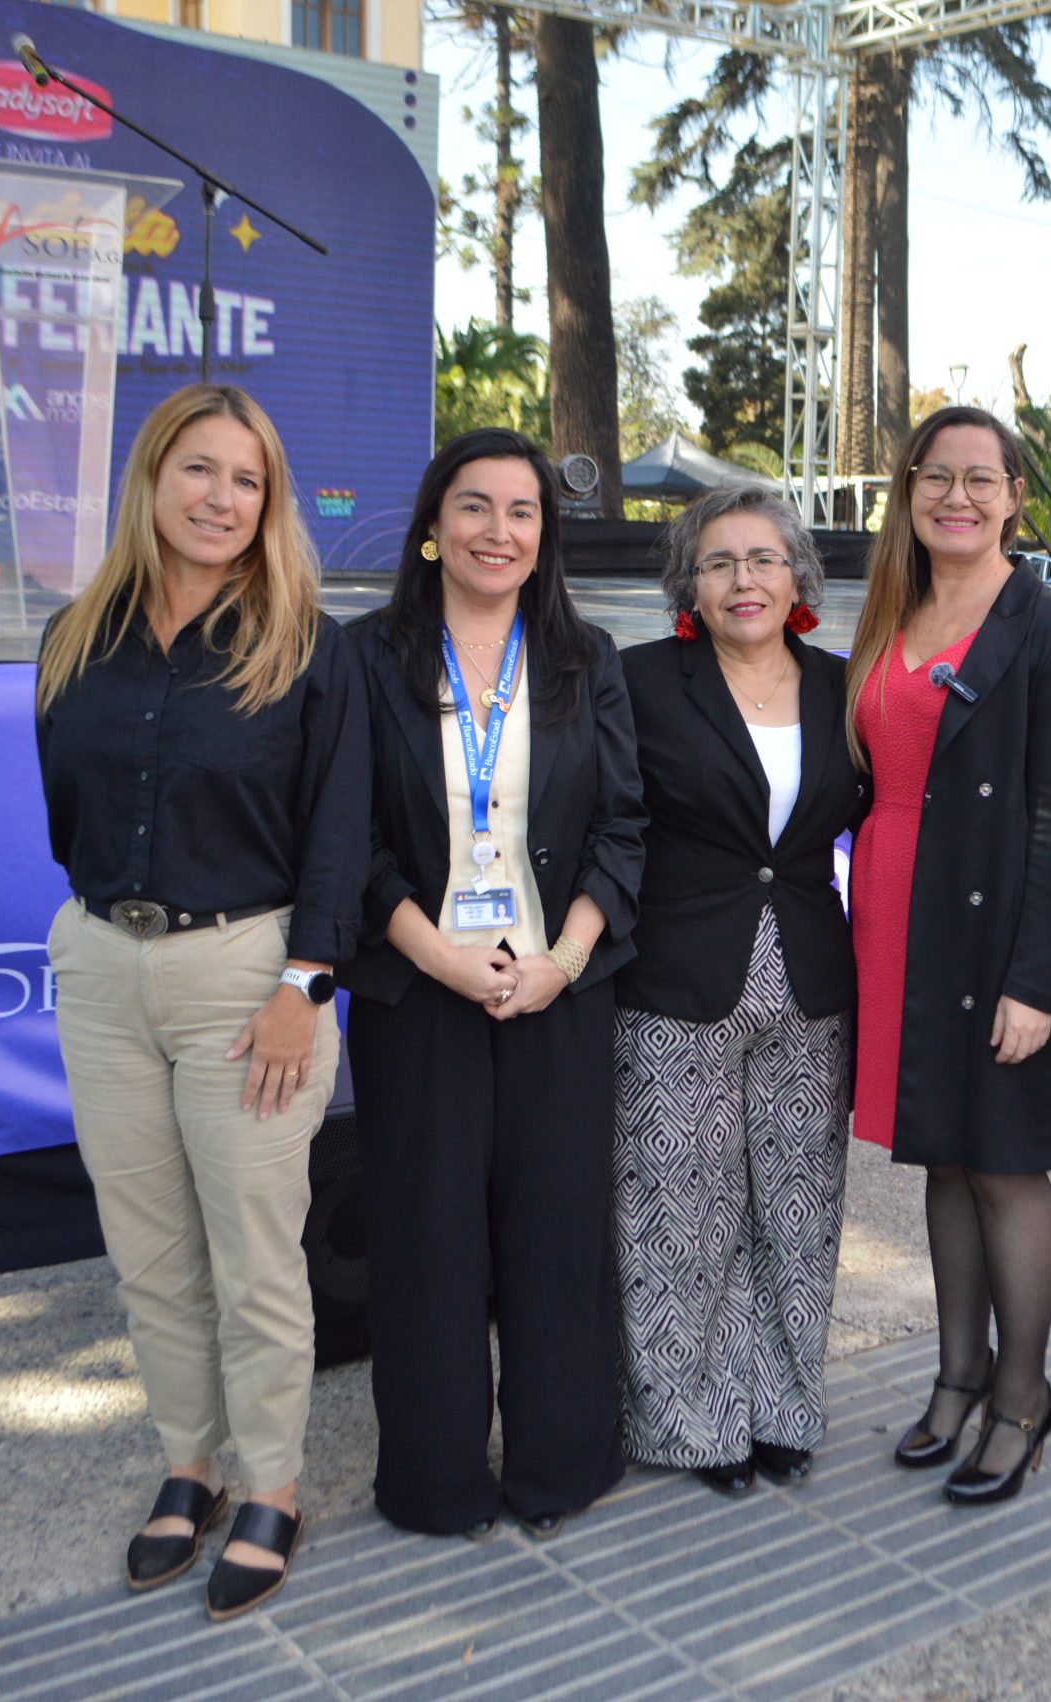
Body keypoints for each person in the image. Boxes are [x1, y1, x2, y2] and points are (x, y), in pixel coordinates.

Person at [34, 383, 368, 1620]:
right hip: (100, 964)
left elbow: (339, 835)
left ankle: (271, 1482)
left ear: (269, 502)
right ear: (150, 477)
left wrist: (303, 984)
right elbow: (65, 814)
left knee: (253, 1253)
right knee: (149, 1249)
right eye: (199, 469)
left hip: (247, 977)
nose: (220, 498)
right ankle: (191, 1465)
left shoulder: (309, 647)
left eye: (246, 479)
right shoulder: (74, 638)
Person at [343, 428, 647, 1540]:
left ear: (544, 534)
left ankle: (560, 1464)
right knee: (427, 1240)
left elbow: (622, 829)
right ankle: (436, 1483)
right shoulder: (365, 657)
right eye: (475, 506)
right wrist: (438, 956)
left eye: (522, 511)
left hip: (554, 990)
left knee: (557, 1233)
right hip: (420, 992)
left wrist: (563, 962)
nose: (498, 531)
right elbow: (350, 838)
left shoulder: (585, 658)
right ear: (434, 523)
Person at [846, 404, 1051, 1506]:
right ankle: (958, 1376)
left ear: (1014, 498)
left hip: (997, 928)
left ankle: (1022, 1397)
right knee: (942, 1157)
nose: (956, 497)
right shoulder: (889, 612)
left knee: (1004, 1162)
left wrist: (1034, 982)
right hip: (899, 922)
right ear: (907, 491)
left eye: (979, 479)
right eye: (935, 477)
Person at [613, 487, 868, 1496]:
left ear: (798, 575)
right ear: (689, 585)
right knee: (680, 1209)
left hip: (809, 975)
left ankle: (783, 1409)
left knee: (797, 1208)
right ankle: (693, 1423)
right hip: (675, 976)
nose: (743, 579)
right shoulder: (638, 680)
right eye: (717, 562)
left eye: (763, 558)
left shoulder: (843, 685)